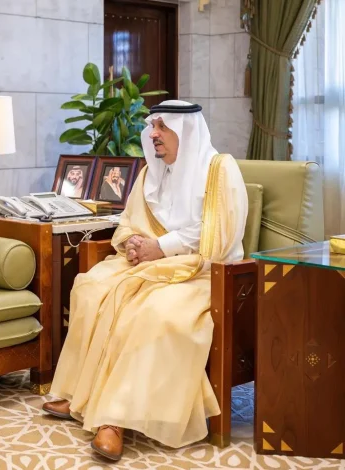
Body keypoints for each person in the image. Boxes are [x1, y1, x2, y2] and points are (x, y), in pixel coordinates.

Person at [42, 100, 248, 461]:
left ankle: (114, 418)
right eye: (152, 126)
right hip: (152, 264)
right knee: (90, 286)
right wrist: (134, 244)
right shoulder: (151, 172)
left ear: (185, 130)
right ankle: (79, 394)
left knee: (150, 310)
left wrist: (161, 248)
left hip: (204, 273)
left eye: (162, 127)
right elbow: (128, 222)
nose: (153, 134)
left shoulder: (220, 170)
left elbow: (218, 237)